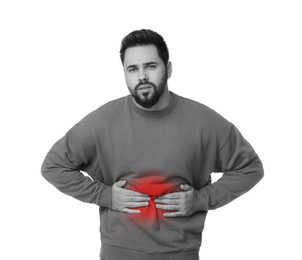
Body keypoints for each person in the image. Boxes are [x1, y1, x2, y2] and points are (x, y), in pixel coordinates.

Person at [41, 29, 264, 260]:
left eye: (150, 66)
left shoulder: (204, 122)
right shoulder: (103, 121)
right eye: (132, 69)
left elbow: (250, 168)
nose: (142, 77)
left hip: (180, 253)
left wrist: (200, 200)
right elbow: (54, 166)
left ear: (168, 69)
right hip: (118, 253)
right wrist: (104, 195)